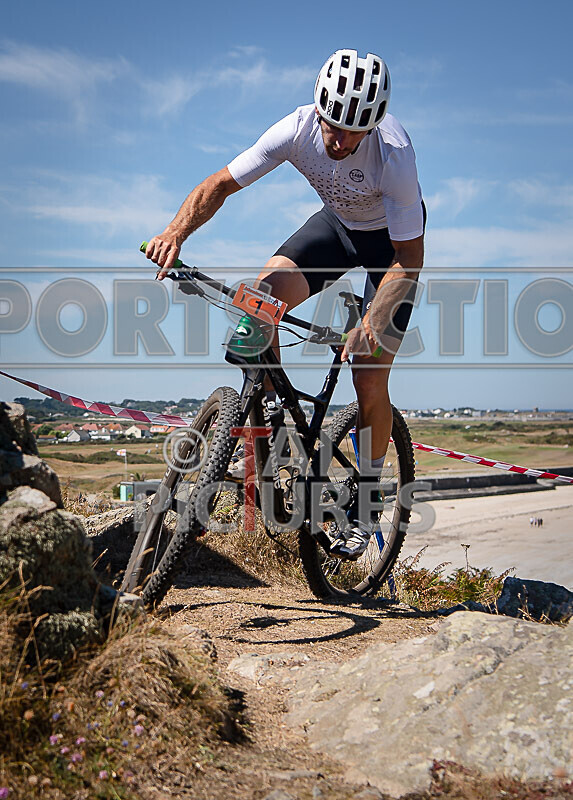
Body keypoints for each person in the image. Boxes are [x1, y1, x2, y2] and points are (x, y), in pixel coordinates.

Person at [145, 49, 425, 559]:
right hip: (338, 229)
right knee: (260, 299)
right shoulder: (296, 129)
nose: (337, 141)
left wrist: (373, 321)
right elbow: (220, 184)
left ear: (374, 125)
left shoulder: (395, 156)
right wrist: (175, 232)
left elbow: (411, 258)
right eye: (331, 126)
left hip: (392, 251)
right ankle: (274, 417)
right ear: (317, 108)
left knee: (369, 371)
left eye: (351, 132)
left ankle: (365, 501)